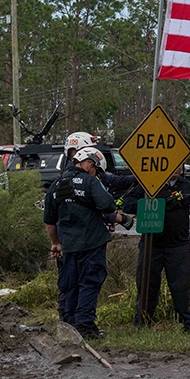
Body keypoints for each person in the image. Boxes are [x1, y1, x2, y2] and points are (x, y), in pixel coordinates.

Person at [44, 146, 133, 340]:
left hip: (67, 245)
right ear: (89, 164)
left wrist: (55, 244)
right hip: (92, 243)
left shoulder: (55, 185)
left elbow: (49, 221)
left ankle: (69, 324)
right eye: (96, 169)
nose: (96, 173)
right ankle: (84, 326)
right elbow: (108, 204)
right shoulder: (90, 182)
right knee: (89, 283)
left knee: (69, 284)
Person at [121, 165, 190, 332]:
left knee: (182, 286)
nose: (177, 169)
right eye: (173, 165)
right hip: (150, 245)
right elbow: (127, 204)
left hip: (178, 246)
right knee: (147, 285)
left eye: (180, 165)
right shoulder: (149, 185)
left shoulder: (187, 187)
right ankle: (141, 324)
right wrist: (152, 202)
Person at [62, 132, 137, 198]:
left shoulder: (93, 172)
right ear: (74, 152)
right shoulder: (69, 178)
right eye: (88, 150)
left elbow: (112, 180)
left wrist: (137, 177)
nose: (93, 153)